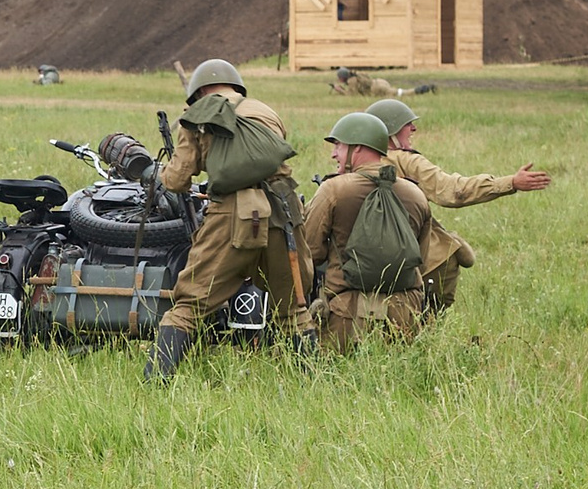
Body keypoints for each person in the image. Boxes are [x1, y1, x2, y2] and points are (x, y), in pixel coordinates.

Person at [147, 60, 305, 379]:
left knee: (189, 304)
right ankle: (313, 381)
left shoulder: (196, 116)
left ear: (201, 91)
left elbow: (177, 179)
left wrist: (160, 174)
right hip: (283, 209)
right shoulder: (265, 111)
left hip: (233, 213)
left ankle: (154, 382)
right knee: (293, 308)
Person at [365, 97, 551, 312]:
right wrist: (509, 182)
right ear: (390, 132)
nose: (413, 128)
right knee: (444, 264)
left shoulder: (356, 165)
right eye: (407, 124)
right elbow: (453, 191)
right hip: (412, 256)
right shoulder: (406, 160)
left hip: (367, 257)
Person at [300, 111, 433, 349]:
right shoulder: (416, 194)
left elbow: (310, 253)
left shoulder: (333, 190)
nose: (334, 154)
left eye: (339, 146)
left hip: (345, 315)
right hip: (404, 314)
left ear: (358, 147)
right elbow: (421, 257)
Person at [331, 66, 434, 99]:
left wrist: (340, 90)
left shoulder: (351, 81)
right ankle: (421, 89)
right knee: (396, 92)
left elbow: (353, 95)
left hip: (377, 89)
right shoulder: (356, 75)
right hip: (379, 82)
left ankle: (420, 90)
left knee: (400, 93)